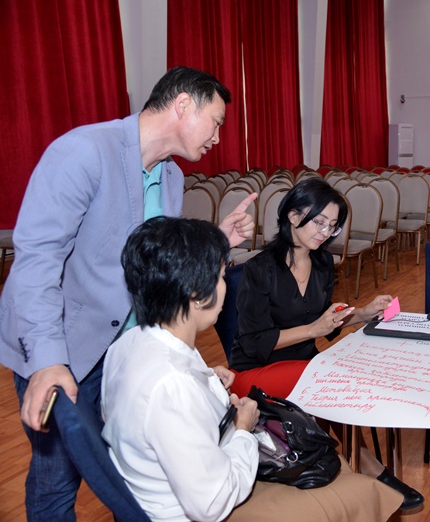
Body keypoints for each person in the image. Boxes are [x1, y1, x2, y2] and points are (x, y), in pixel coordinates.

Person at [0, 66, 256, 521]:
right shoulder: (84, 152)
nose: (218, 137)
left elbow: (151, 263)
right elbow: (36, 262)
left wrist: (216, 240)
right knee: (57, 481)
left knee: (129, 476)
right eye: (216, 122)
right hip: (64, 347)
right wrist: (46, 361)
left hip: (125, 352)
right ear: (183, 105)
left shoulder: (171, 177)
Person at [103, 216, 402, 522]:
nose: (225, 286)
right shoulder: (173, 384)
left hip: (167, 488)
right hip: (200, 508)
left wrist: (208, 380)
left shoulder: (127, 345)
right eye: (221, 276)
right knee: (359, 491)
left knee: (332, 468)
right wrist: (243, 429)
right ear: (196, 294)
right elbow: (211, 503)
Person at [229, 177, 424, 509]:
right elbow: (254, 341)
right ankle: (370, 469)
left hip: (303, 364)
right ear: (293, 216)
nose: (325, 232)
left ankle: (362, 466)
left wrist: (363, 312)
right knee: (331, 377)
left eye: (332, 226)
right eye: (319, 222)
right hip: (255, 372)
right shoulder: (260, 269)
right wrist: (312, 329)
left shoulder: (322, 263)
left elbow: (325, 318)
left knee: (332, 378)